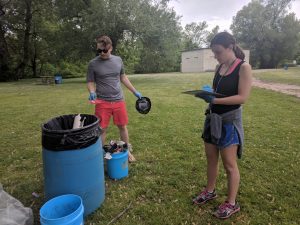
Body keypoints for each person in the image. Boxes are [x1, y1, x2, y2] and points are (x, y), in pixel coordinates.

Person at [192, 32, 252, 219]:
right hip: (213, 118)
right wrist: (208, 94)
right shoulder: (219, 67)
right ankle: (210, 191)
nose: (216, 56)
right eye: (214, 53)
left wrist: (215, 101)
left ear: (230, 47)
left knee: (229, 164)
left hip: (229, 121)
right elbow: (218, 93)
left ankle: (231, 203)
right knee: (211, 158)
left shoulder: (244, 67)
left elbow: (242, 97)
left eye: (218, 52)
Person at [86, 35, 142, 162]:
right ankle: (98, 157)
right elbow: (90, 81)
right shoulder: (93, 64)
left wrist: (134, 92)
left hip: (118, 100)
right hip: (102, 102)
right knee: (102, 129)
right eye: (99, 50)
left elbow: (123, 77)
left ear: (110, 48)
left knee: (122, 126)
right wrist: (92, 91)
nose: (101, 53)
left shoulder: (118, 60)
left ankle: (126, 152)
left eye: (104, 50)